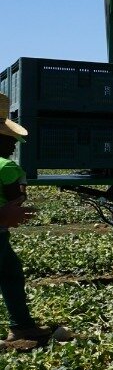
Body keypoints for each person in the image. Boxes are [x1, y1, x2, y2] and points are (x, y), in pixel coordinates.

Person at [0, 96, 53, 342]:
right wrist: (22, 184)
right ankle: (21, 325)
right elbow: (16, 203)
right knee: (10, 274)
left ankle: (21, 325)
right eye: (10, 140)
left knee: (11, 272)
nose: (14, 146)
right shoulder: (6, 167)